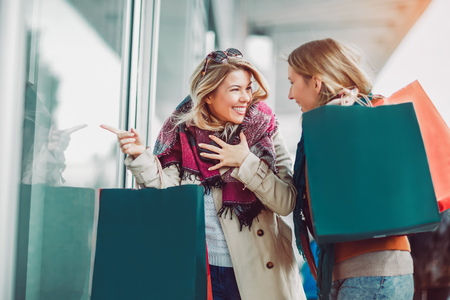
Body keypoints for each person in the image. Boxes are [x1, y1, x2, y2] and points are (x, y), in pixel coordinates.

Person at [102, 48, 306, 300]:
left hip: (257, 272)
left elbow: (286, 202)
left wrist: (245, 161)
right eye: (235, 89)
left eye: (248, 88)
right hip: (199, 270)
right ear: (208, 95)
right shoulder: (182, 133)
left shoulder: (265, 129)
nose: (245, 98)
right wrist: (139, 155)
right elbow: (166, 195)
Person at [287, 38, 414, 300]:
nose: (290, 94)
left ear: (316, 82)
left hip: (373, 272)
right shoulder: (318, 131)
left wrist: (337, 122)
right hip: (345, 272)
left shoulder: (358, 118)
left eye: (292, 82)